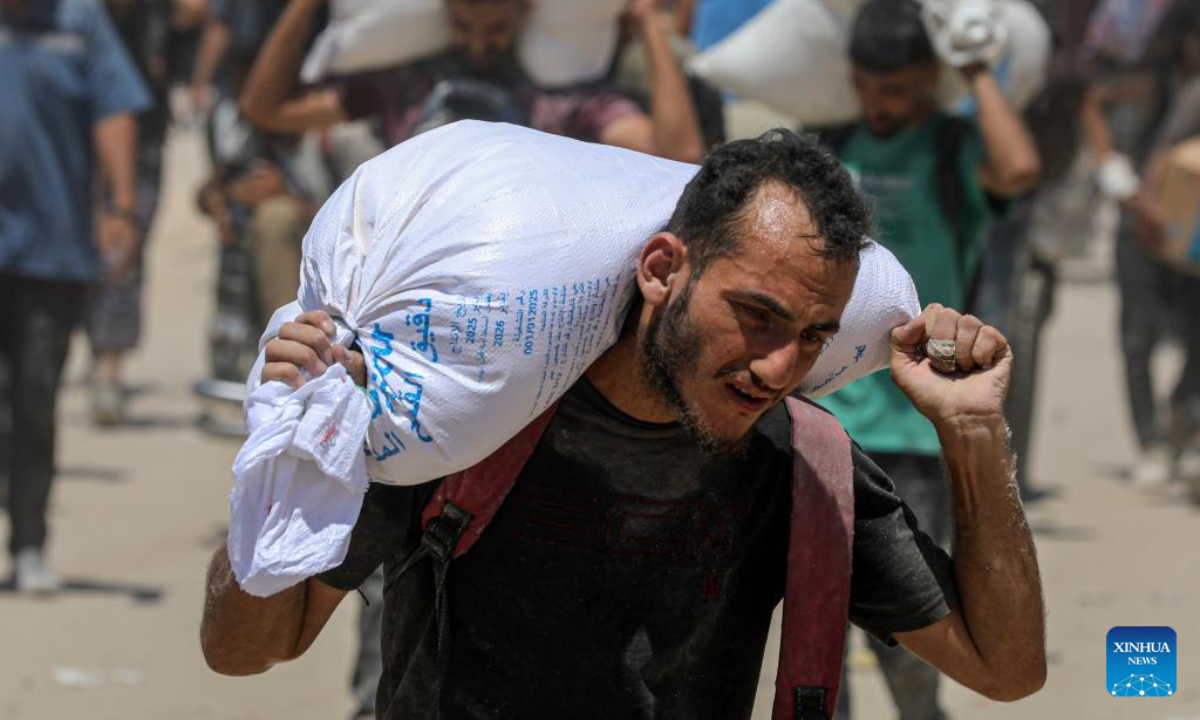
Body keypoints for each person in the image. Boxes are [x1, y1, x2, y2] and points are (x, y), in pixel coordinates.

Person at [199, 130, 1046, 718]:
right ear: (661, 269)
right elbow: (243, 649)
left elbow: (1001, 669)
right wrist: (297, 439)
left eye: (814, 337)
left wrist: (974, 436)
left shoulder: (803, 461)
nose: (780, 367)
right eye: (756, 315)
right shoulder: (474, 419)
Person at [812, 1, 1040, 717]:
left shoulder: (952, 150)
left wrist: (973, 69)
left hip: (916, 425)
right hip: (827, 420)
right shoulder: (831, 144)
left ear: (929, 82)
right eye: (869, 88)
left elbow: (1020, 165)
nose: (881, 108)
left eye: (900, 91)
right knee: (819, 623)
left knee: (913, 623)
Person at [0, 0, 150, 592]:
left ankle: (30, 543)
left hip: (53, 247)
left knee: (36, 396)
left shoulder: (79, 22)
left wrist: (121, 207)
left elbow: (114, 110)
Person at [238, 0, 704, 163]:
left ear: (527, 12)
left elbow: (677, 152)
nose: (478, 46)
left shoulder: (559, 96)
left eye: (495, 30)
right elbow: (266, 109)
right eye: (463, 27)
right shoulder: (404, 82)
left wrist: (646, 22)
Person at [87, 0, 175, 425]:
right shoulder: (67, 14)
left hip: (144, 137)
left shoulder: (157, 12)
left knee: (124, 250)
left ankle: (109, 369)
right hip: (75, 138)